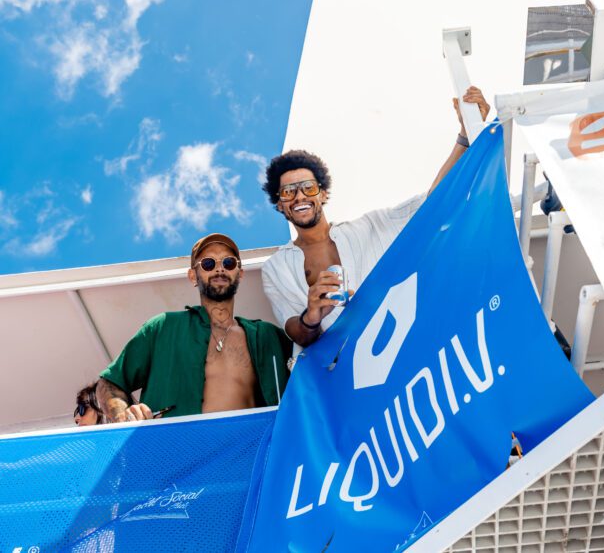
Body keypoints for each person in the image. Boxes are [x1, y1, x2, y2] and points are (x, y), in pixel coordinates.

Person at [261, 87, 490, 347]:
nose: (299, 197)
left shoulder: (370, 227)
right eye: (289, 192)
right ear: (280, 204)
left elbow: (433, 203)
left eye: (308, 188)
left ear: (323, 194)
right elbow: (296, 331)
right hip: (337, 372)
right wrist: (311, 316)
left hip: (397, 356)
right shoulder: (277, 267)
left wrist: (464, 137)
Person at [96, 233, 292, 422]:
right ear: (192, 276)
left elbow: (310, 358)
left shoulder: (267, 336)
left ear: (239, 274)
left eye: (228, 262)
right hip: (180, 450)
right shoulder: (163, 327)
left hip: (251, 451)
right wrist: (124, 415)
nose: (219, 269)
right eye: (208, 264)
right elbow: (109, 383)